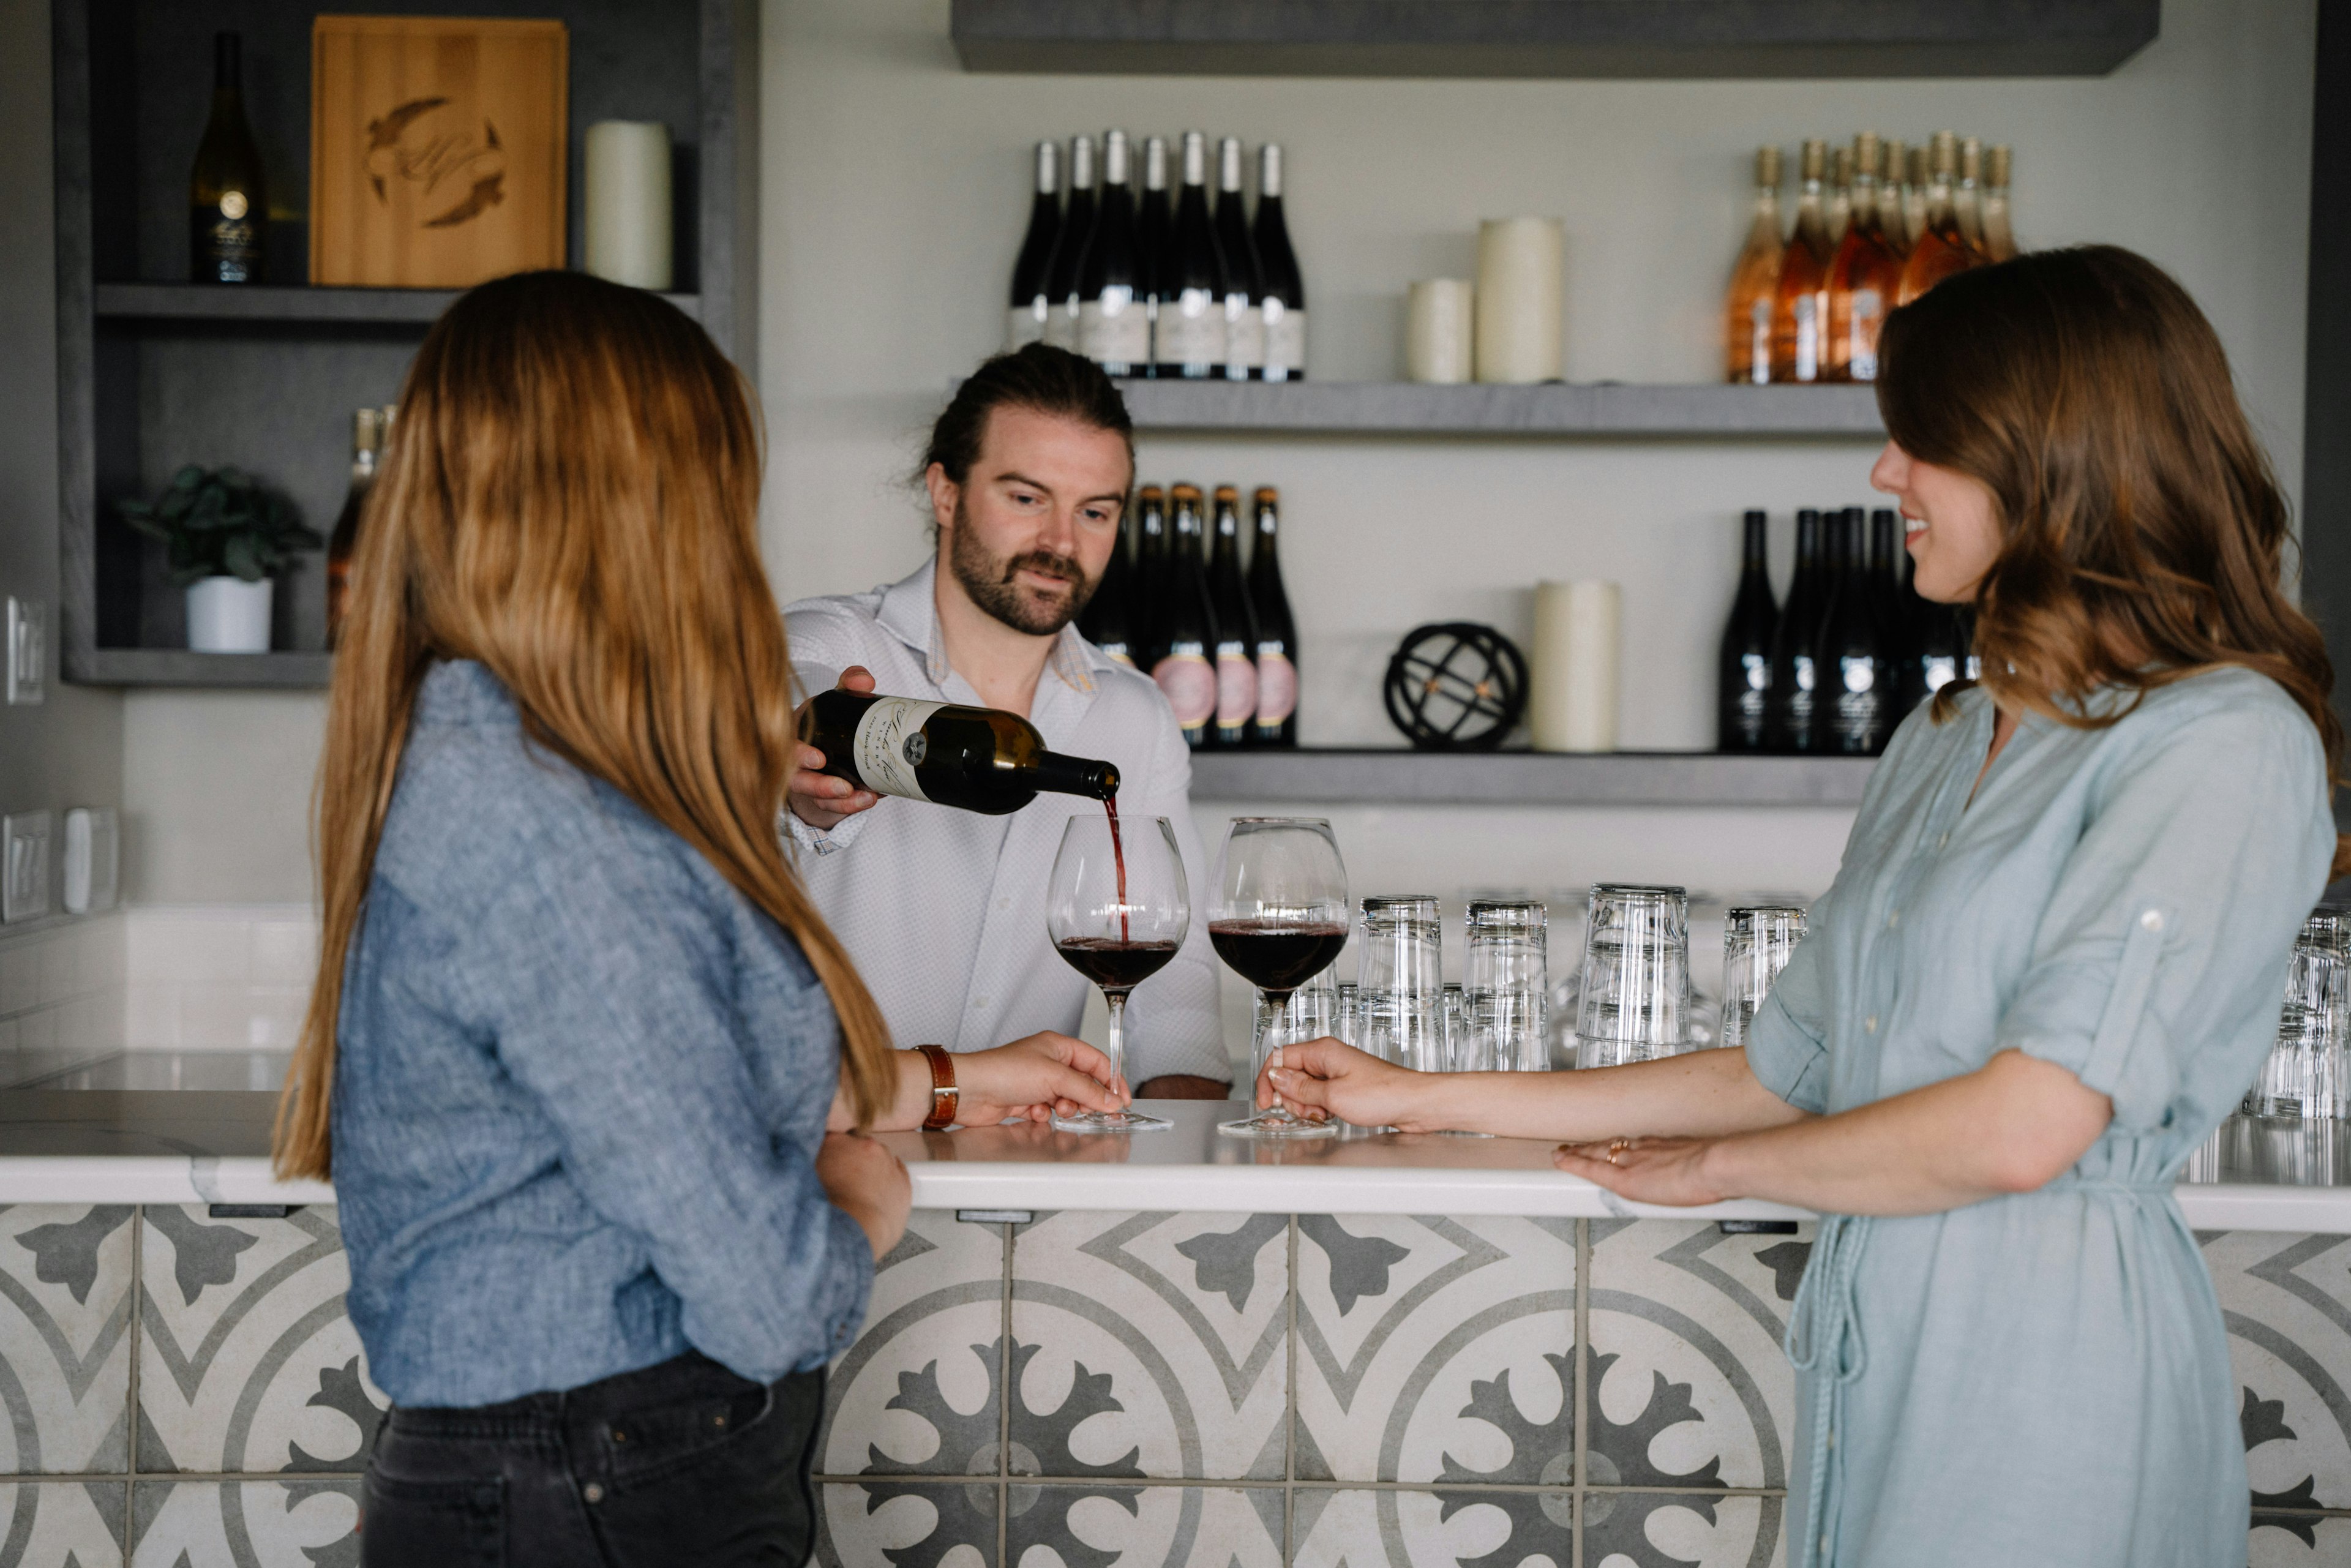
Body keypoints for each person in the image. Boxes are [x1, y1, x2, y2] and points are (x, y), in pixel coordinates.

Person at [1256, 247, 2341, 1568]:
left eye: (1921, 441)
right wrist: (1421, 1093)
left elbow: (2027, 1124)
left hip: (2053, 1370)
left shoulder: (2220, 741)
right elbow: (1792, 1067)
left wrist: (1710, 1177)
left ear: (2051, 460)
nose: (1886, 473)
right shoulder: (1947, 735)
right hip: (1874, 1353)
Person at [272, 273, 1125, 1567]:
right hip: (603, 1479)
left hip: (587, 1470)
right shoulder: (547, 818)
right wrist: (855, 1208)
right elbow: (765, 1283)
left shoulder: (514, 761)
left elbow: (650, 1080)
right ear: (644, 501)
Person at [784, 344, 1229, 1100]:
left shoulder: (1136, 717)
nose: (1061, 542)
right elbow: (792, 702)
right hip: (823, 1162)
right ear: (946, 492)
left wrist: (1169, 1171)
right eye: (1027, 498)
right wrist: (806, 778)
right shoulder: (828, 644)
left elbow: (1178, 997)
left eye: (1095, 511)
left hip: (1030, 1186)